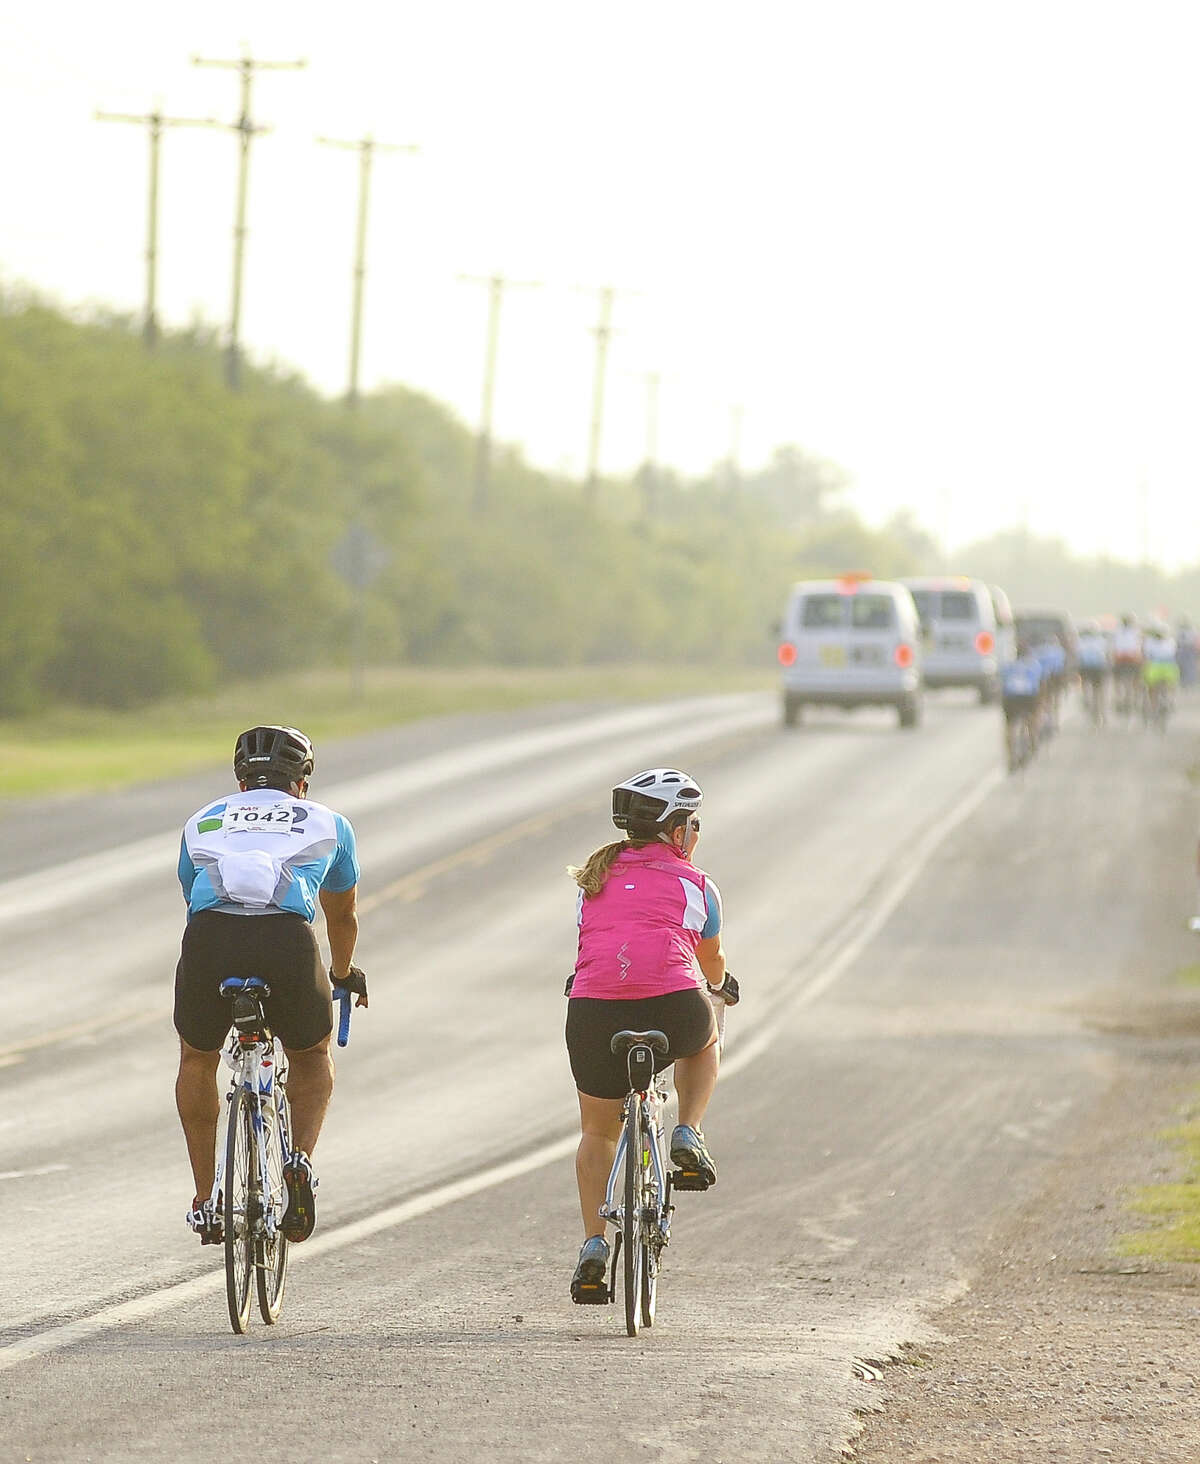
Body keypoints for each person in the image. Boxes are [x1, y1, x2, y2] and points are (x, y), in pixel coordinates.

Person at [174, 725, 367, 1246]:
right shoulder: (329, 823)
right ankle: (299, 1162)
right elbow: (342, 914)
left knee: (197, 1057)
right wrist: (343, 974)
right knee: (310, 1056)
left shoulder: (202, 820)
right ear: (301, 782)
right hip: (286, 939)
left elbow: (193, 896)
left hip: (211, 937)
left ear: (241, 782)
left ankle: (205, 1197)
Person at [564, 768, 738, 1301]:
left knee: (597, 1131)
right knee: (703, 1035)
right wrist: (720, 986)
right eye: (694, 825)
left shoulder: (591, 880)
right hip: (673, 1003)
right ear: (678, 831)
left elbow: (595, 939)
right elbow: (711, 961)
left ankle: (594, 1242)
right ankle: (687, 1131)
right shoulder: (698, 885)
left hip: (593, 1010)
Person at [1001, 640, 1044, 769]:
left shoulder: (1008, 665)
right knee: (1032, 717)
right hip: (1028, 696)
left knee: (1009, 726)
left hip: (1011, 697)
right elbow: (1039, 684)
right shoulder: (1034, 664)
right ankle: (1033, 740)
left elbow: (1002, 684)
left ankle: (1011, 758)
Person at [1142, 620, 1179, 719]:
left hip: (1158, 666)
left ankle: (1161, 702)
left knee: (1153, 686)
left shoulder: (1150, 642)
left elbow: (1147, 656)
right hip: (1164, 666)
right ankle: (1168, 700)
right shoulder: (1171, 641)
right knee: (1168, 683)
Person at [1076, 620, 1111, 723]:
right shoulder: (1102, 640)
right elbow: (1107, 655)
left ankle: (1086, 698)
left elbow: (1078, 655)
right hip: (1098, 667)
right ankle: (1101, 712)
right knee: (1099, 690)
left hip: (1086, 668)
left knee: (1085, 683)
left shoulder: (1081, 640)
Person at [1112, 613, 1143, 715]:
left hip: (1120, 658)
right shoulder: (1136, 631)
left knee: (1118, 680)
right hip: (1132, 658)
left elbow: (1113, 647)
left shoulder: (1117, 631)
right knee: (1135, 679)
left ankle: (1120, 698)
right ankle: (1133, 698)